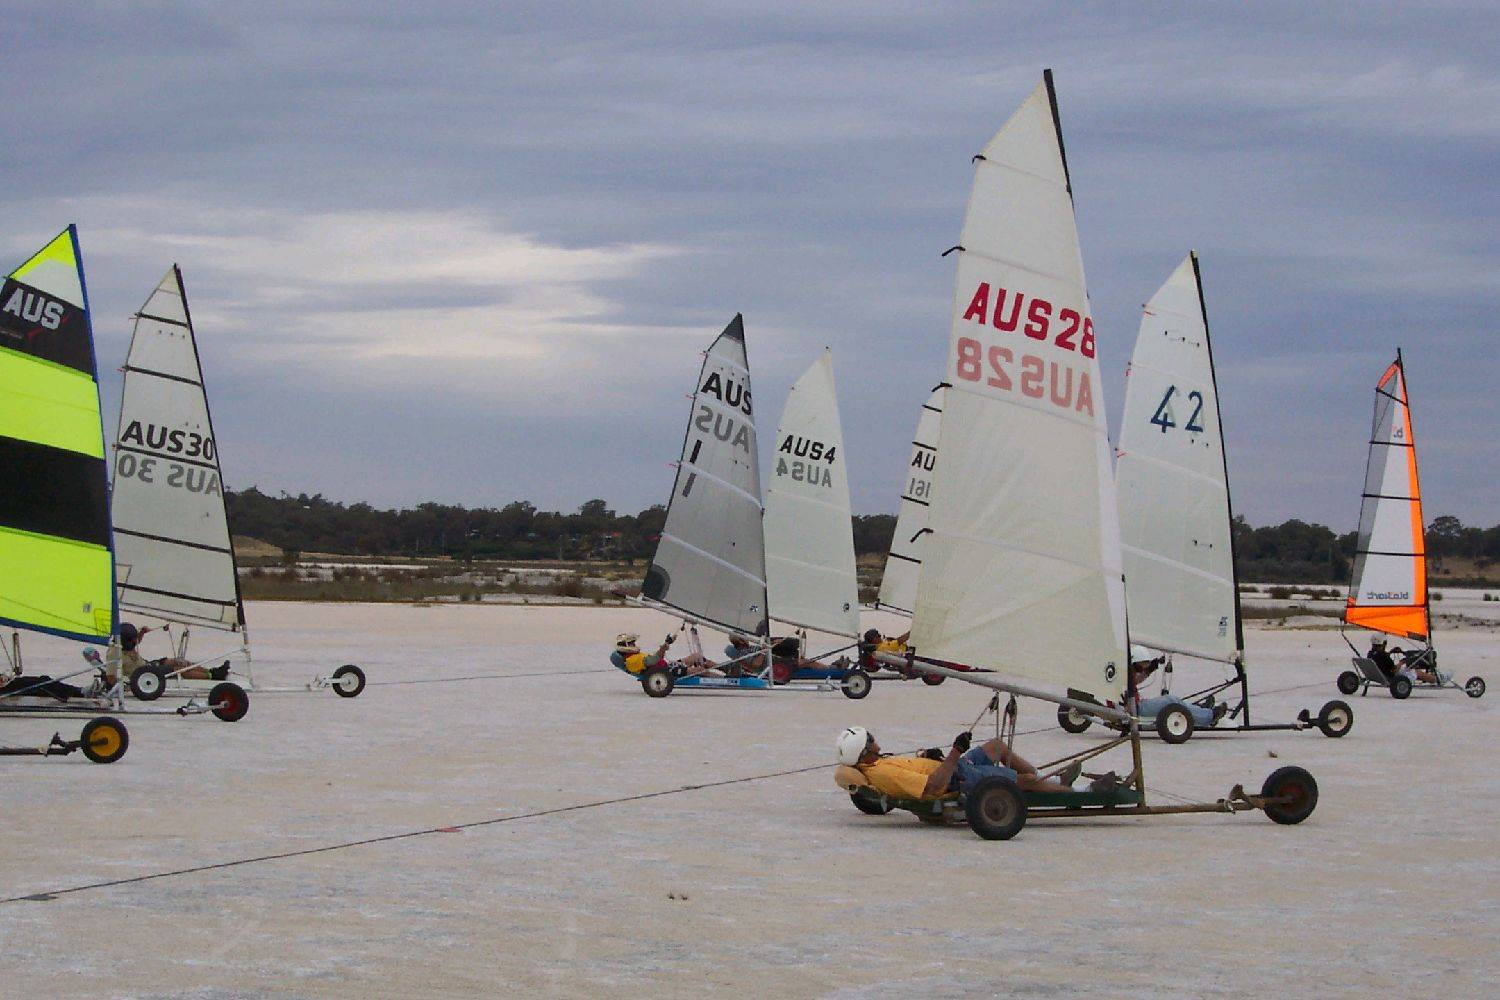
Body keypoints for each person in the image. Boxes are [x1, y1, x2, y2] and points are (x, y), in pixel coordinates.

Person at [835, 726, 1107, 802]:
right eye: (870, 738)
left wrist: (929, 756)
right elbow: (933, 787)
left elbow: (921, 771)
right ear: (864, 750)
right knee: (1021, 781)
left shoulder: (876, 764)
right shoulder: (882, 772)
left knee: (997, 746)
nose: (875, 739)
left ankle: (1053, 782)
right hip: (957, 780)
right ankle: (1081, 792)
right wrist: (955, 752)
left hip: (952, 768)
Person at [105, 622, 229, 687]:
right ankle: (212, 676)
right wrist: (125, 688)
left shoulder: (124, 644)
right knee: (179, 670)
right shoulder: (113, 653)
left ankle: (212, 670)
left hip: (148, 665)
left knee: (178, 661)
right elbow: (110, 677)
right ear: (126, 640)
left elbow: (136, 641)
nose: (135, 641)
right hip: (145, 675)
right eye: (133, 639)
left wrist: (142, 633)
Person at [1129, 645, 1226, 727]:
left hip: (1138, 705)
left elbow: (1135, 681)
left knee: (1175, 701)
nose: (1145, 666)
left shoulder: (1129, 673)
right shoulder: (1126, 675)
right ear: (1135, 662)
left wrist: (1150, 668)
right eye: (1143, 663)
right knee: (1171, 700)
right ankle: (1209, 716)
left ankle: (1200, 710)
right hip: (1137, 708)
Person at [612, 633, 717, 676]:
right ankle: (721, 679)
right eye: (632, 643)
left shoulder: (634, 656)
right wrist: (662, 649)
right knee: (700, 670)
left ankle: (724, 668)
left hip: (668, 666)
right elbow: (652, 661)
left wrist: (666, 644)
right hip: (668, 672)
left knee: (696, 657)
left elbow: (655, 658)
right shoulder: (631, 660)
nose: (634, 645)